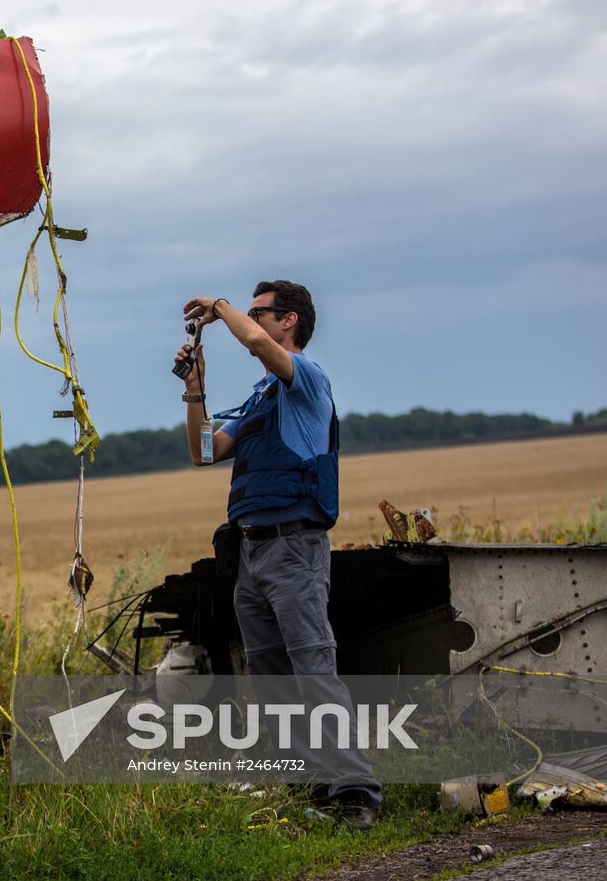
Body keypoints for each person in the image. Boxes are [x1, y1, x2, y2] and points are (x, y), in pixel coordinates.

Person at [173, 280, 382, 830]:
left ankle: (356, 793)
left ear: (289, 320)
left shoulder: (306, 378)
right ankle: (308, 789)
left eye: (259, 312)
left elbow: (257, 344)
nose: (251, 320)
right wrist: (194, 390)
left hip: (294, 546)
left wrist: (219, 306)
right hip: (250, 552)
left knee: (314, 669)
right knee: (271, 680)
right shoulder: (261, 398)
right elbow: (204, 451)